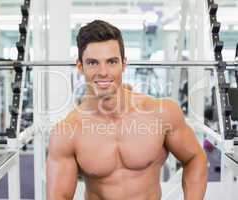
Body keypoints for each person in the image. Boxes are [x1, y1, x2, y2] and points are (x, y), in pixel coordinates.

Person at [47, 20, 207, 200]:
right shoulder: (67, 132)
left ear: (123, 64)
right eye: (93, 63)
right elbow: (58, 196)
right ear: (80, 66)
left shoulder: (161, 114)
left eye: (112, 62)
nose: (103, 72)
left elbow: (194, 158)